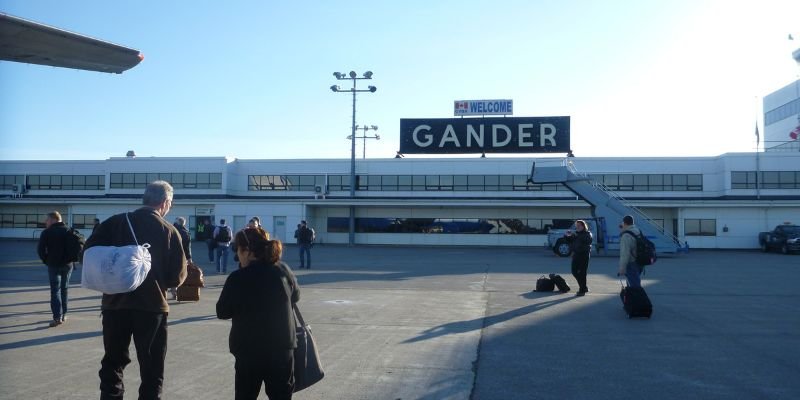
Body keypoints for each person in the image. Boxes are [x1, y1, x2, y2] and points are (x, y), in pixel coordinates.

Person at [85, 181, 187, 400]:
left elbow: (89, 252)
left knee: (113, 361)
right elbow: (176, 277)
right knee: (152, 366)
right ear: (165, 202)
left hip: (114, 305)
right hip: (152, 307)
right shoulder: (169, 230)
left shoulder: (115, 222)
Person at [217, 228, 300, 400]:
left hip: (249, 350)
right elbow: (296, 296)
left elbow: (222, 312)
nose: (237, 255)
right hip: (282, 348)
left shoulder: (237, 278)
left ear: (246, 251)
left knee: (245, 395)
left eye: (237, 250)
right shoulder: (283, 270)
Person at [37, 211, 74, 327]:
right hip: (68, 265)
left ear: (53, 219)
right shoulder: (68, 230)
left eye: (47, 220)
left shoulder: (47, 232)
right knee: (64, 289)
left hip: (53, 265)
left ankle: (57, 317)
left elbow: (40, 250)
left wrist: (46, 261)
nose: (45, 222)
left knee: (55, 291)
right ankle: (64, 315)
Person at [564, 220, 593, 296]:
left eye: (579, 225)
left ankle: (582, 290)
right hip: (576, 254)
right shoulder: (576, 234)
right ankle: (584, 287)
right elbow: (569, 241)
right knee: (574, 271)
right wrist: (567, 236)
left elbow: (587, 241)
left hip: (584, 255)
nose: (577, 227)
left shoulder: (588, 234)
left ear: (583, 226)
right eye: (576, 226)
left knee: (582, 273)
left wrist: (576, 235)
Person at [169, 216, 193, 300]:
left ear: (177, 222)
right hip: (183, 257)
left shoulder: (170, 229)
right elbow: (187, 247)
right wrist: (189, 258)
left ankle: (173, 292)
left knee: (172, 273)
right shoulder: (186, 232)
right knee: (181, 273)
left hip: (171, 256)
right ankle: (180, 291)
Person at [618, 215, 643, 288]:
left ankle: (638, 299)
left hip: (631, 263)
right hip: (639, 261)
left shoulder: (626, 236)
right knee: (635, 283)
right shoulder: (637, 231)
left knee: (634, 287)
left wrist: (622, 268)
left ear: (624, 223)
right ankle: (635, 298)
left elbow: (625, 253)